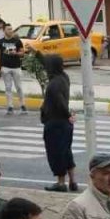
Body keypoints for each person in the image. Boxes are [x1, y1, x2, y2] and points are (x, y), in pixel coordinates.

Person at [40, 54, 78, 192]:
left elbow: (60, 102)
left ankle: (61, 183)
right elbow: (44, 61)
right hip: (64, 124)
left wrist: (68, 115)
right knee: (66, 151)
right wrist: (37, 53)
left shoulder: (54, 84)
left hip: (55, 122)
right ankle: (73, 181)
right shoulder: (64, 77)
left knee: (56, 153)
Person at [0, 23, 27, 115]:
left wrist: (16, 53)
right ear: (4, 30)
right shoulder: (0, 42)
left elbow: (22, 53)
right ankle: (10, 106)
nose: (11, 31)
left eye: (11, 29)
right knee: (8, 87)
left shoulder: (17, 41)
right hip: (5, 67)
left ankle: (22, 105)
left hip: (16, 67)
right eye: (9, 29)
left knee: (19, 87)